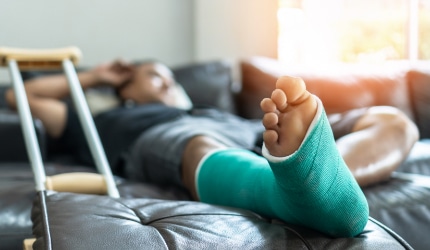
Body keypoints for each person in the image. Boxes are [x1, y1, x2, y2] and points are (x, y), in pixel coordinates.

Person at [4, 60, 417, 237]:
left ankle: (317, 175)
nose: (169, 85)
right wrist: (95, 78)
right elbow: (18, 96)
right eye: (156, 79)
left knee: (391, 119)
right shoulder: (101, 119)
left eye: (171, 80)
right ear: (127, 92)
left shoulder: (210, 108)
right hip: (172, 138)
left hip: (249, 132)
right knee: (198, 143)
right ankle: (299, 183)